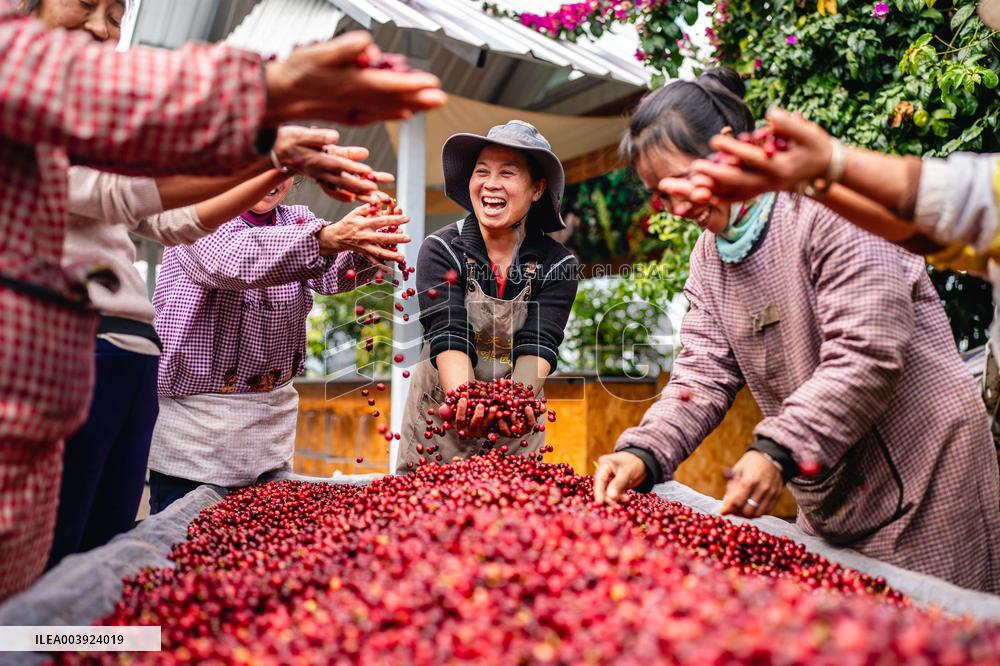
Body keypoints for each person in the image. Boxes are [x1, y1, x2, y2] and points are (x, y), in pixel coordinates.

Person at [0, 0, 444, 598]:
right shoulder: (34, 77)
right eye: (87, 4)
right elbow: (223, 257)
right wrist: (265, 104)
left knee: (107, 575)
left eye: (117, 13)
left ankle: (90, 648)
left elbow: (161, 207)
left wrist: (356, 243)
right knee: (57, 578)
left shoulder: (294, 217)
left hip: (197, 393)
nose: (104, 29)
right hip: (138, 390)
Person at [591, 68, 1000, 593]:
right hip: (831, 492)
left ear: (730, 151)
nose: (678, 208)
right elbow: (700, 377)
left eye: (683, 184)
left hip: (928, 479)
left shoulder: (826, 208)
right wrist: (643, 452)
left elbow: (868, 350)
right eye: (660, 197)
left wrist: (776, 451)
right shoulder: (708, 261)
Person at [146, 180, 409, 512]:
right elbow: (233, 260)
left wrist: (367, 243)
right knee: (183, 536)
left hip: (267, 428)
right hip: (196, 433)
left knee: (256, 540)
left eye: (284, 170)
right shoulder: (197, 214)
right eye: (261, 167)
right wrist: (326, 240)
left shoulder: (297, 221)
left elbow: (332, 276)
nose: (272, 180)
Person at [397, 121, 580, 473]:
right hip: (439, 423)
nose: (491, 184)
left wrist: (514, 403)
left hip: (515, 433)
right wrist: (464, 400)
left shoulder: (558, 264)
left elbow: (539, 343)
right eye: (482, 172)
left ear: (538, 189)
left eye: (507, 173)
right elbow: (447, 332)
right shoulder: (441, 249)